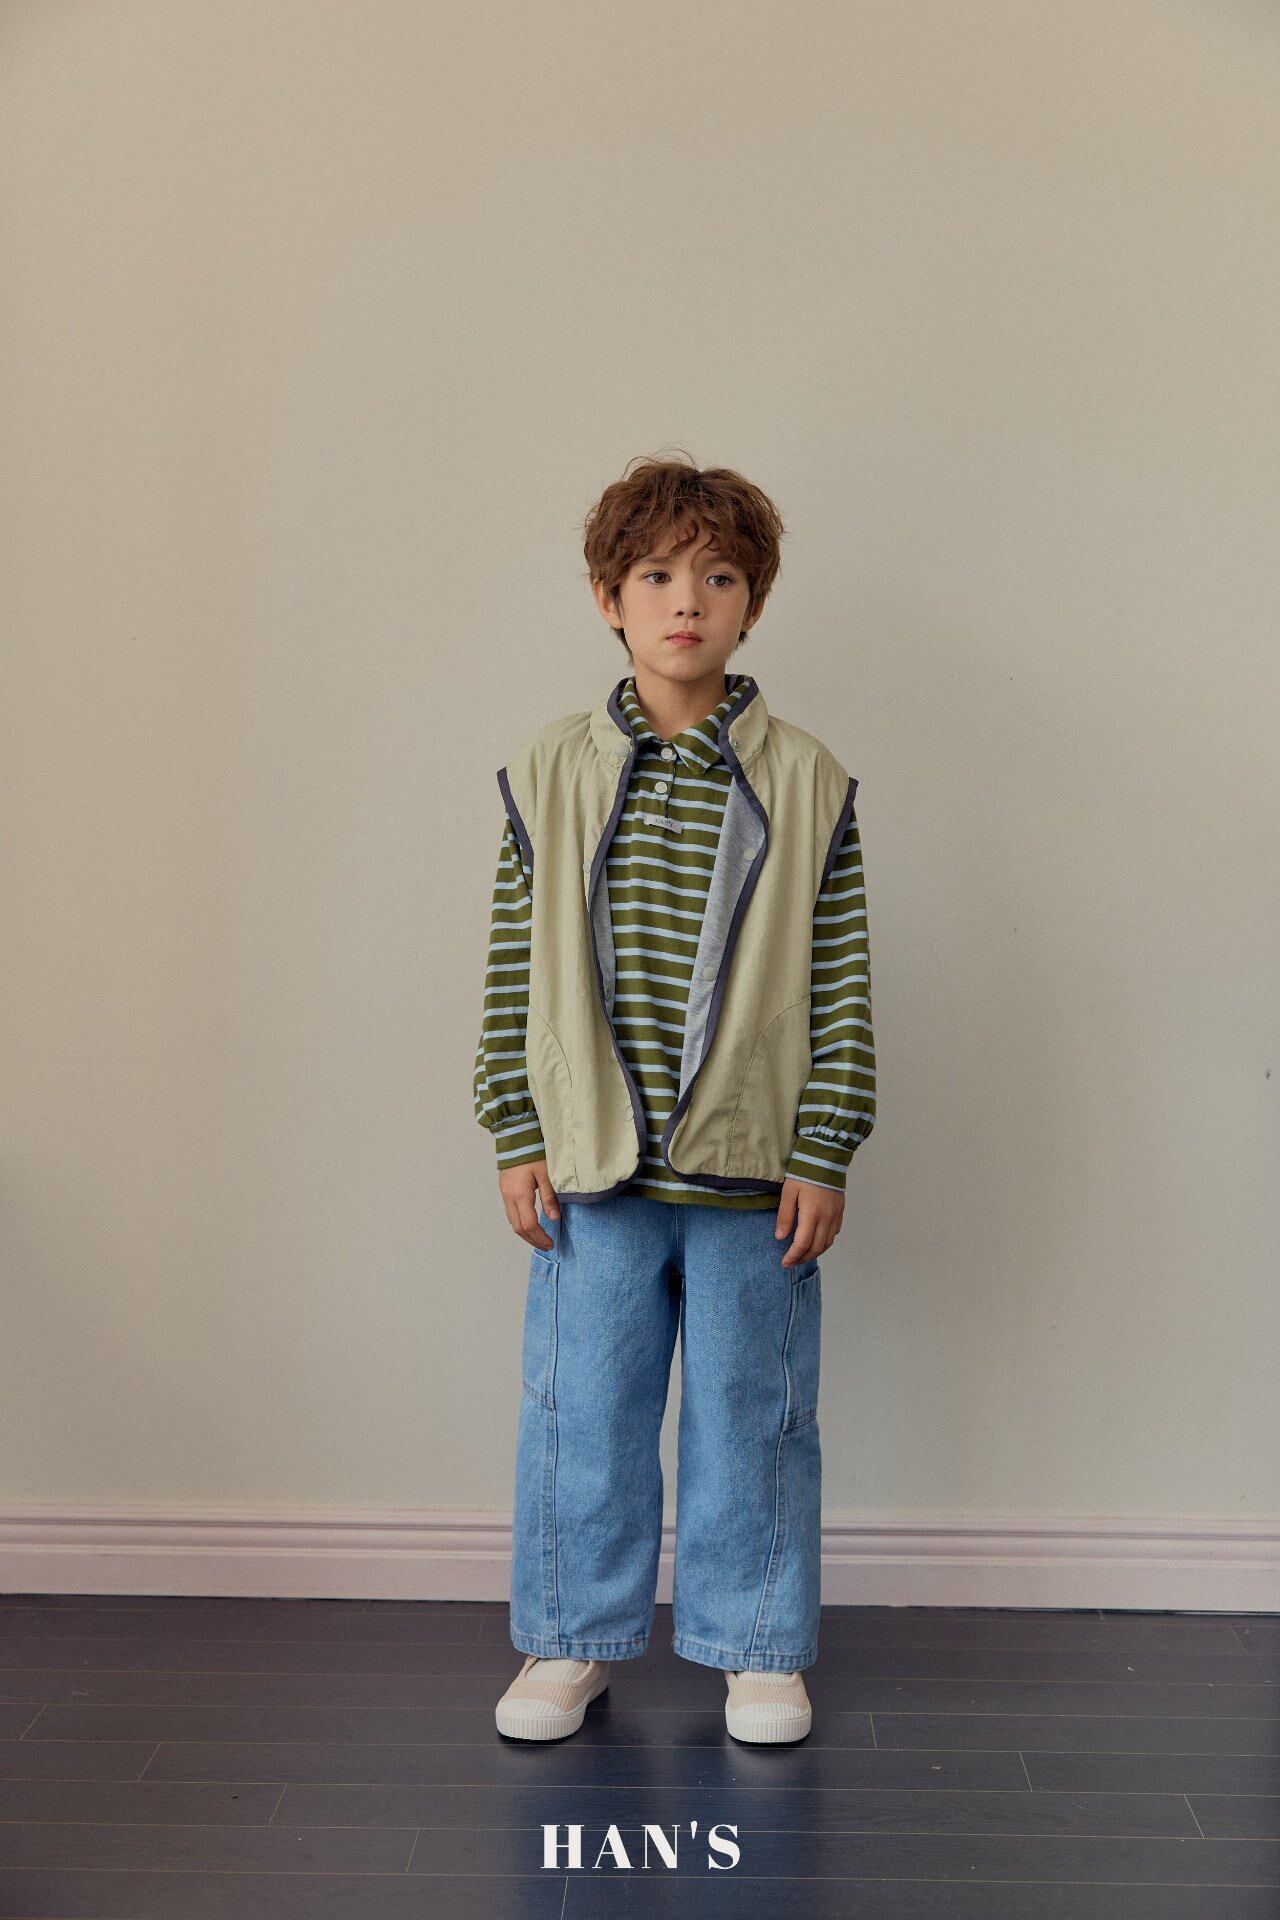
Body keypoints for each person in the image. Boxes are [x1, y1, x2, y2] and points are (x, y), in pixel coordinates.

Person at [473, 454, 876, 1744]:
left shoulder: (808, 779)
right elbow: (512, 967)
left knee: (754, 1422)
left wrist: (825, 1146)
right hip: (592, 1171)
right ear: (610, 597)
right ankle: (566, 1642)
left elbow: (841, 977)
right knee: (582, 1415)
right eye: (655, 574)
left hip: (755, 1174)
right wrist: (514, 1129)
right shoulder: (548, 770)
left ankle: (756, 1646)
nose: (685, 599)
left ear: (752, 603)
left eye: (717, 576)